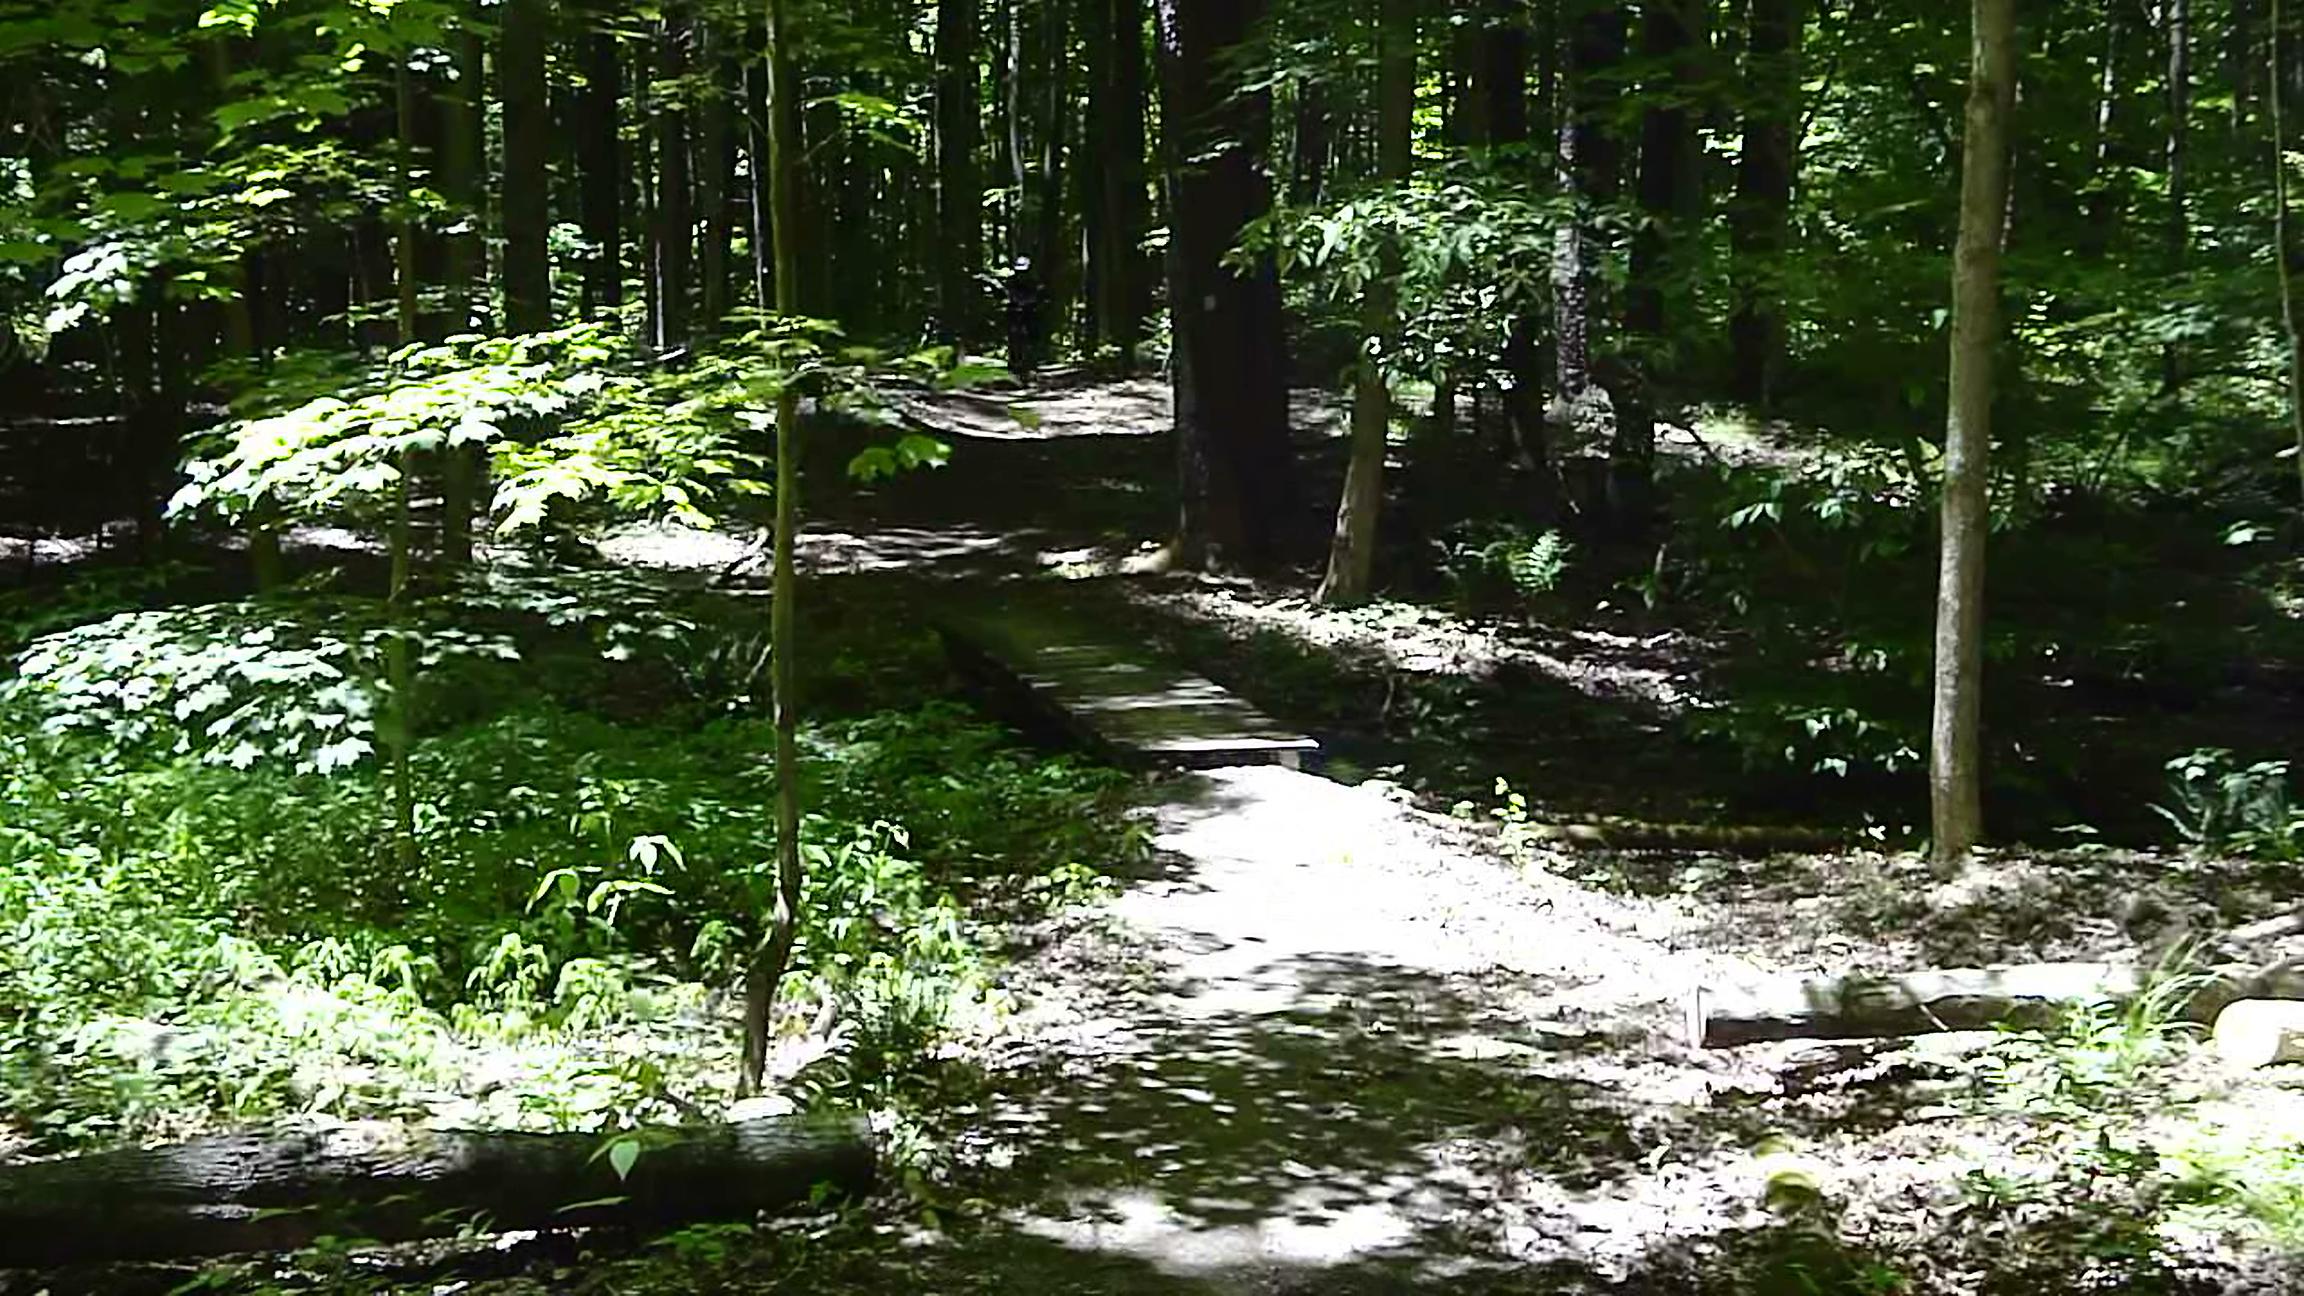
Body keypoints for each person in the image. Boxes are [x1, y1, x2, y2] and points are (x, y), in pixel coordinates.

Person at [1004, 255, 1045, 377]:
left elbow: (1040, 295)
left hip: (1030, 311)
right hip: (1015, 311)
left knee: (1033, 336)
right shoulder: (1011, 281)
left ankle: (1032, 363)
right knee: (1013, 335)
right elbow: (1007, 294)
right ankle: (1014, 362)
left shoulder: (1033, 281)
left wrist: (1034, 303)